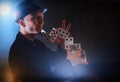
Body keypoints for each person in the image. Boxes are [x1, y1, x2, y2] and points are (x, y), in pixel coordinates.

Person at [8, 0, 89, 82]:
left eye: (41, 17)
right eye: (35, 17)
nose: (41, 21)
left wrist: (61, 43)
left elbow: (55, 60)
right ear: (22, 22)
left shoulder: (38, 44)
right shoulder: (18, 51)